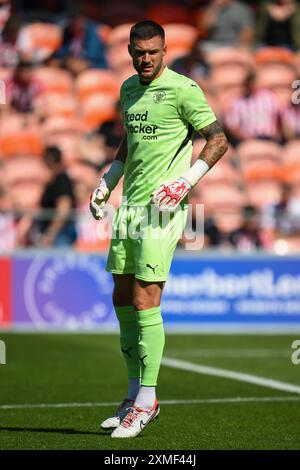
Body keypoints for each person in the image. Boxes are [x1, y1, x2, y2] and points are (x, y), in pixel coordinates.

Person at [90, 20, 228, 439]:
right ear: (130, 51)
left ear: (165, 50)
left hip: (162, 210)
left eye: (153, 51)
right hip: (129, 209)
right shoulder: (128, 89)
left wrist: (186, 180)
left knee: (145, 298)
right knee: (122, 297)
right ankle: (132, 396)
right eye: (138, 51)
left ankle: (148, 401)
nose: (145, 58)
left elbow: (218, 140)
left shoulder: (184, 89)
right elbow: (129, 141)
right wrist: (108, 179)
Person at [35, 146, 77, 247]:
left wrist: (51, 233)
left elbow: (63, 209)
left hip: (61, 235)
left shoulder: (61, 180)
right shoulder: (54, 180)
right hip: (57, 234)